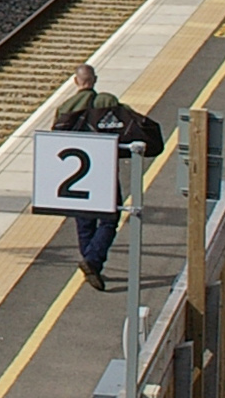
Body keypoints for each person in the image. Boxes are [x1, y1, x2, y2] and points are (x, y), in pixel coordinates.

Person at [51, 65, 159, 289]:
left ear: (75, 81)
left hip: (75, 173)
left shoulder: (65, 107)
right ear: (95, 80)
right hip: (105, 169)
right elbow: (131, 122)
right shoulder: (108, 102)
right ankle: (93, 260)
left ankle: (91, 263)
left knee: (84, 221)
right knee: (109, 219)